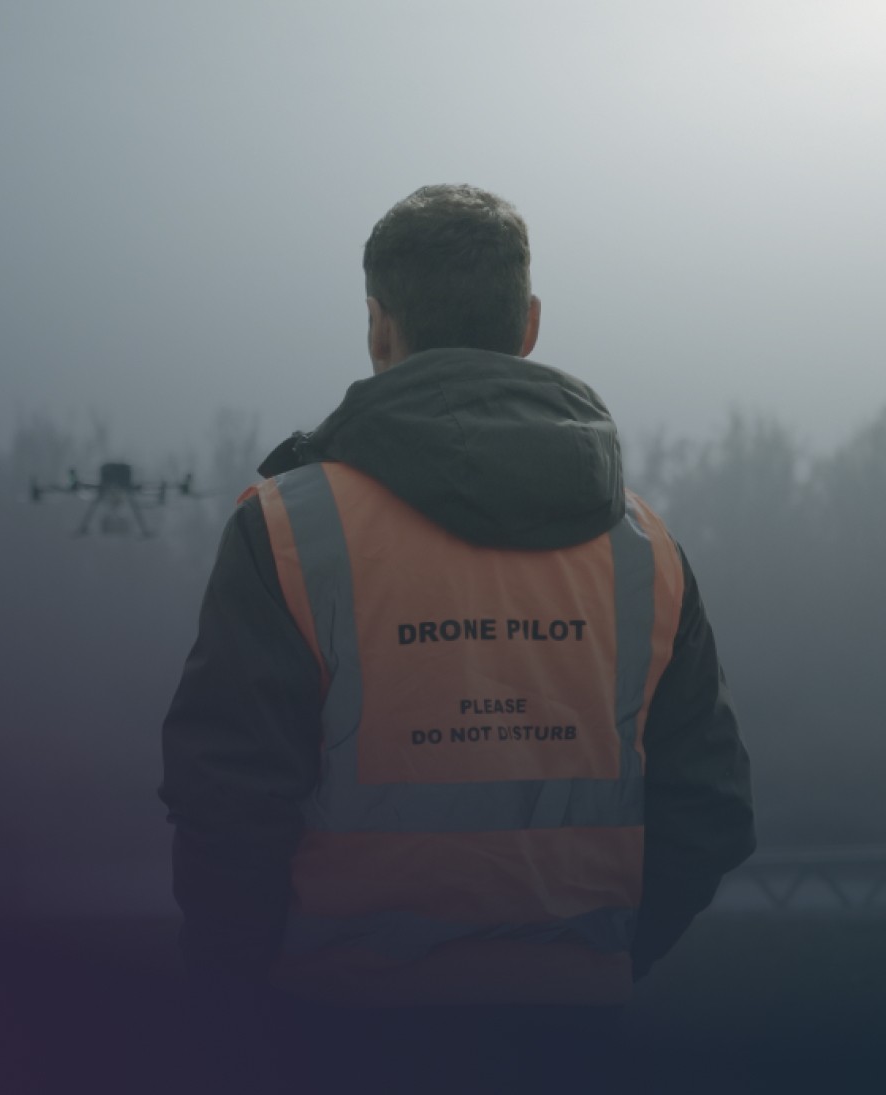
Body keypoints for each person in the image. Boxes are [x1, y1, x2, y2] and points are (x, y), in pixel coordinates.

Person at [159, 184, 755, 1089]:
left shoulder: (289, 528)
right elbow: (710, 805)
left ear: (377, 327)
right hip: (570, 1035)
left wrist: (238, 992)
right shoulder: (645, 548)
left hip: (336, 1028)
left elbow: (226, 801)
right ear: (530, 324)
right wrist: (599, 960)